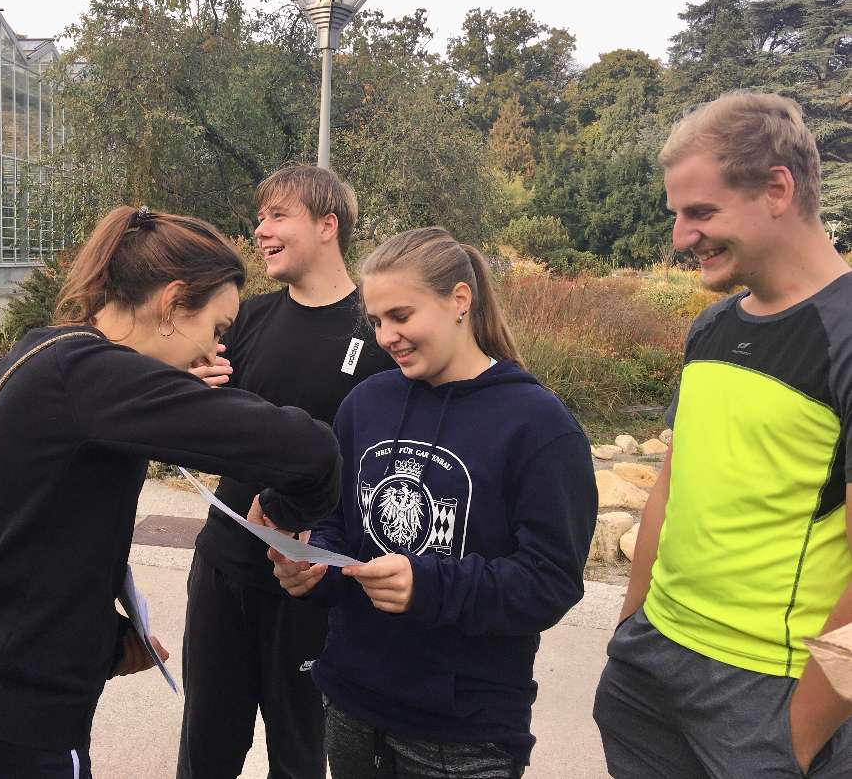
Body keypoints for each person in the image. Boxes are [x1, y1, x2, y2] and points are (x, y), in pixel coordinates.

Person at [0, 204, 342, 779]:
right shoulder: (93, 377)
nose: (213, 354)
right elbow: (312, 451)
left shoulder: (55, 356)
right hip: (0, 723)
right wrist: (284, 512)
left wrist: (107, 641)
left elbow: (24, 543)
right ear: (171, 302)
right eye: (214, 330)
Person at [271, 227, 598, 779]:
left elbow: (550, 583)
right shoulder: (366, 403)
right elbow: (338, 524)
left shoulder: (539, 426)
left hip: (463, 733)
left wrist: (429, 586)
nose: (387, 337)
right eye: (375, 322)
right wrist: (315, 568)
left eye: (400, 315)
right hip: (351, 704)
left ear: (459, 302)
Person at [593, 91, 852, 777]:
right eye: (677, 213)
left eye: (700, 212)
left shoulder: (846, 336)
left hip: (767, 690)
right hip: (650, 671)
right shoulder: (711, 328)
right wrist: (628, 634)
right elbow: (671, 490)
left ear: (777, 189)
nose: (681, 236)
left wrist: (795, 742)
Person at [178, 165, 396, 779]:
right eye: (261, 217)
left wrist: (330, 540)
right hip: (224, 567)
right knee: (205, 748)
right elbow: (205, 441)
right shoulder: (245, 320)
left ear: (328, 226)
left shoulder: (377, 330)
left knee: (300, 758)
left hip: (313, 585)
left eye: (278, 216)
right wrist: (192, 396)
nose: (260, 229)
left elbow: (384, 465)